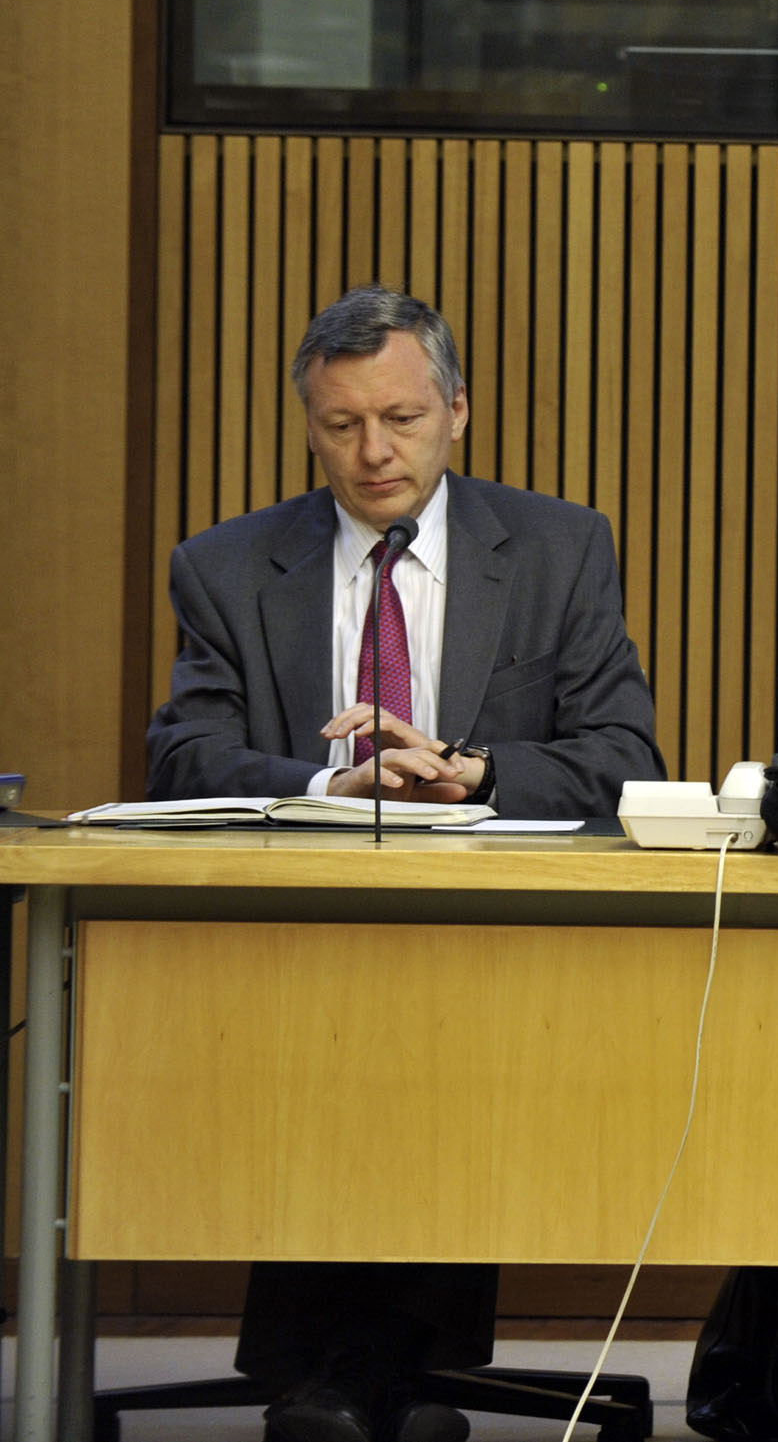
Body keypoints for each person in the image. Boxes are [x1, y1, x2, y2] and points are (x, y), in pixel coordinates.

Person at [145, 285, 665, 1442]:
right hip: (292, 946)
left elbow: (626, 756)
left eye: (401, 419)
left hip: (497, 946)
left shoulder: (557, 548)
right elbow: (182, 753)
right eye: (341, 425)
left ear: (458, 413)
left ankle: (346, 1381)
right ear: (311, 424)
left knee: (435, 1033)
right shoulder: (226, 567)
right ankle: (386, 1380)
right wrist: (328, 786)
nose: (372, 451)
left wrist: (470, 774)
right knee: (332, 1031)